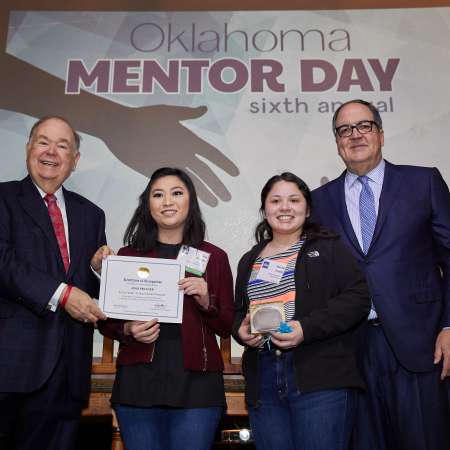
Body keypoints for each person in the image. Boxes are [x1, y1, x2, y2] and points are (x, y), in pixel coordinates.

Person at [312, 99, 450, 450]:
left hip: (421, 343)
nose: (355, 135)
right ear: (337, 141)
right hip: (351, 351)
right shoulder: (318, 202)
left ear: (381, 134)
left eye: (364, 126)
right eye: (345, 130)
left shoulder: (424, 181)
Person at [95, 167, 234, 450]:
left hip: (198, 386)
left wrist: (208, 302)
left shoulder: (214, 257)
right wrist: (128, 329)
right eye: (158, 195)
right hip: (138, 384)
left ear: (190, 202)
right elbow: (105, 320)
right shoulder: (128, 256)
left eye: (177, 193)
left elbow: (227, 324)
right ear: (148, 205)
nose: (167, 201)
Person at [232, 172, 370, 450]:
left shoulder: (329, 247)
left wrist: (305, 329)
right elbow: (239, 313)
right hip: (265, 378)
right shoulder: (250, 260)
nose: (285, 207)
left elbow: (358, 298)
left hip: (320, 374)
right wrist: (241, 331)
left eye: (294, 200)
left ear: (307, 209)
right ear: (265, 209)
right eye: (276, 201)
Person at [0, 116, 107, 450]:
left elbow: (90, 292)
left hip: (68, 372)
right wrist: (62, 294)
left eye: (63, 146)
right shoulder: (3, 199)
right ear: (28, 148)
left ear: (74, 161)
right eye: (43, 141)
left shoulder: (91, 214)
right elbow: (3, 262)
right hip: (10, 365)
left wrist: (99, 270)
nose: (52, 152)